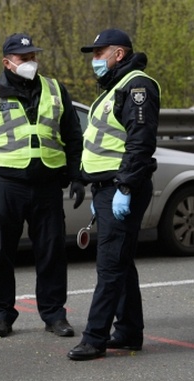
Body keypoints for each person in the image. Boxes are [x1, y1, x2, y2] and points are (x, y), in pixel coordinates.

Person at [0, 33, 84, 338]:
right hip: (5, 187)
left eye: (33, 56)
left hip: (47, 186)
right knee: (0, 252)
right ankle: (2, 315)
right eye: (23, 58)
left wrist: (78, 177)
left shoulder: (55, 90)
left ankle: (54, 314)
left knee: (52, 252)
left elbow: (73, 136)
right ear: (7, 62)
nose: (31, 62)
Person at [68, 29, 160, 361]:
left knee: (110, 266)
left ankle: (94, 338)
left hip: (124, 188)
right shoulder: (114, 89)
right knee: (121, 262)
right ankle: (129, 331)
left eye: (98, 53)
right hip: (109, 188)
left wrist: (123, 187)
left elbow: (140, 143)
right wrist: (89, 180)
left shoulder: (137, 87)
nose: (94, 60)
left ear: (118, 54)